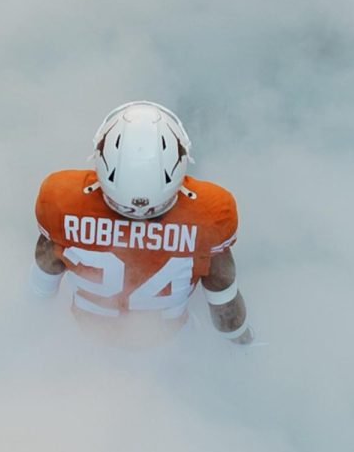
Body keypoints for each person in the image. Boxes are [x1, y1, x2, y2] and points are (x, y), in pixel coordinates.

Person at [31, 101, 255, 345]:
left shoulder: (62, 202)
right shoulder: (209, 215)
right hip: (170, 346)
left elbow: (42, 285)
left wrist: (27, 325)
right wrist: (244, 344)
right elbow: (225, 307)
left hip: (85, 341)